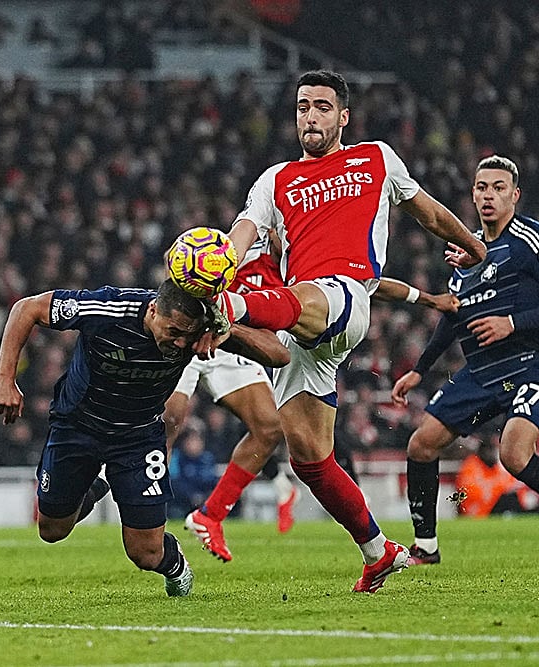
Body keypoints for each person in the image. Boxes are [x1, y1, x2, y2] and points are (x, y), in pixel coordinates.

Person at [207, 70, 485, 592]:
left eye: (320, 106)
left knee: (291, 300)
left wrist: (474, 245)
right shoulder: (275, 179)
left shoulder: (376, 157)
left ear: (343, 116)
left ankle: (230, 311)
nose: (309, 116)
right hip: (299, 319)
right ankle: (378, 552)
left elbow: (425, 210)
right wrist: (221, 259)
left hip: (343, 294)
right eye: (301, 106)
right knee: (309, 457)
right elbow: (243, 232)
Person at [0, 279, 288, 597]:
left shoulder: (198, 334)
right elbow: (27, 308)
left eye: (186, 336)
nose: (178, 343)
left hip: (138, 436)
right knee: (52, 530)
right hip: (76, 426)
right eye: (172, 332)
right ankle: (95, 484)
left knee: (145, 554)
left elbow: (279, 356)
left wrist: (229, 330)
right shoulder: (108, 309)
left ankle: (173, 563)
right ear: (153, 310)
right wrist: (6, 379)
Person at [174, 234, 460, 562]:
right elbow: (190, 267)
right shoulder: (239, 245)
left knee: (270, 431)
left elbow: (370, 284)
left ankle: (209, 516)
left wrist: (428, 300)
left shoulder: (306, 265)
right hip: (199, 330)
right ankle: (142, 511)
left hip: (240, 341)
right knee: (169, 419)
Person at [392, 155, 539, 565]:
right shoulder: (466, 251)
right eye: (481, 187)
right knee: (421, 445)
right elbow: (453, 314)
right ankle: (426, 546)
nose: (488, 195)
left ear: (514, 195)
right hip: (481, 372)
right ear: (473, 195)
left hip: (530, 363)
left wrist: (512, 323)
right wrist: (418, 370)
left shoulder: (530, 238)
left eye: (498, 188)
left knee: (514, 454)